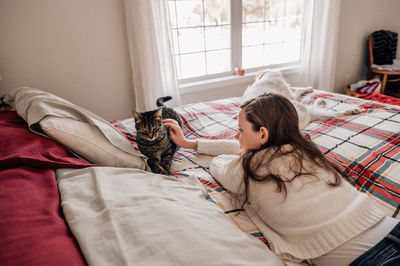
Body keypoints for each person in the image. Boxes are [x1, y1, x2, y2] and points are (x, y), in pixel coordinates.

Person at [163, 93, 400, 266]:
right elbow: (241, 146)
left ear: (263, 134)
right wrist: (191, 143)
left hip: (375, 259)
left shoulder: (246, 170)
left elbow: (218, 163)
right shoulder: (303, 149)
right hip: (388, 226)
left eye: (240, 129)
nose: (237, 136)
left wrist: (191, 145)